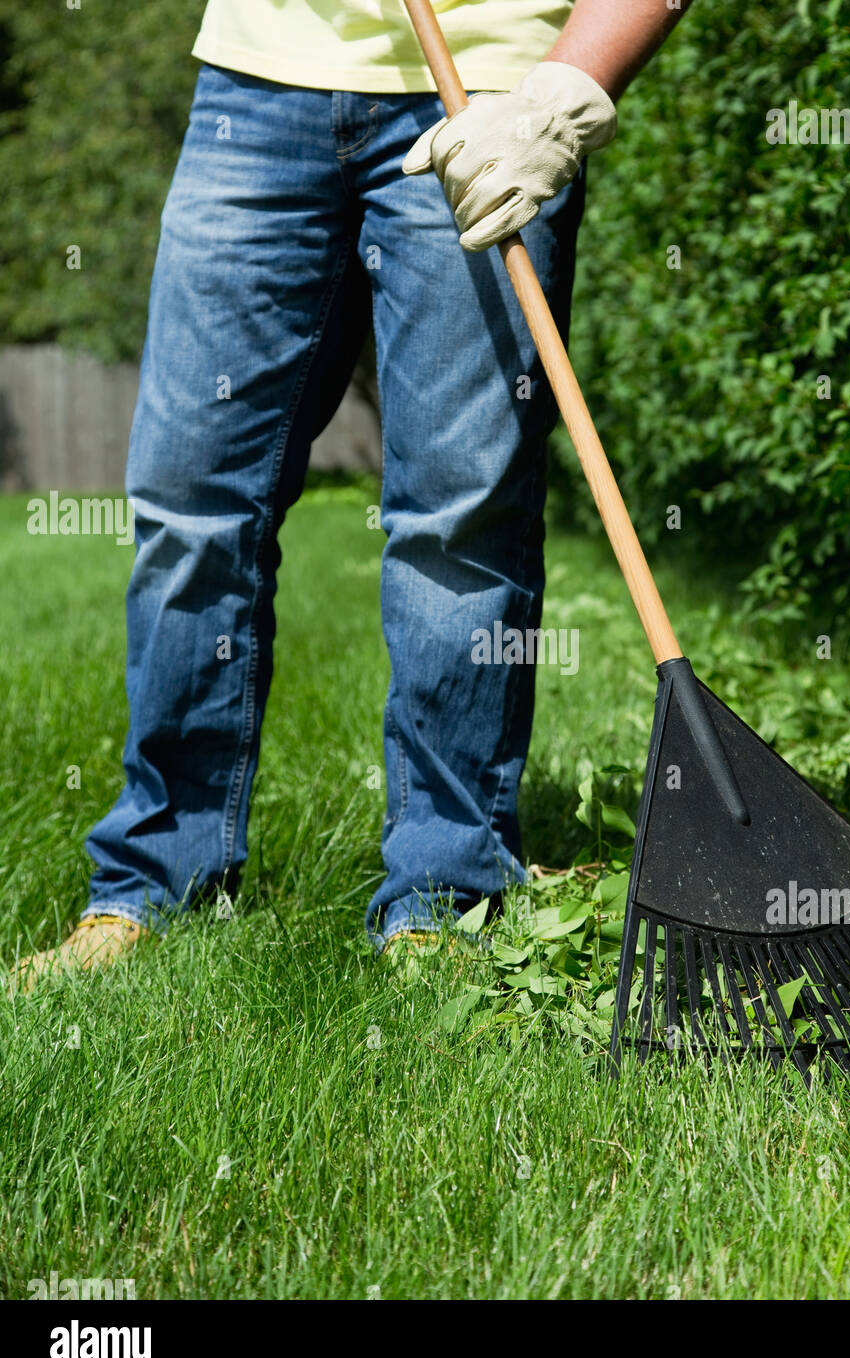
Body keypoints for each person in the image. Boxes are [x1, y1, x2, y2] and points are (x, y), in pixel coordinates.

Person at [16, 0, 691, 990]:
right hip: (257, 83)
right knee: (190, 499)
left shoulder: (525, 98)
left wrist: (562, 98)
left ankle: (445, 895)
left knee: (461, 514)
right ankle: (154, 881)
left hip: (493, 86)